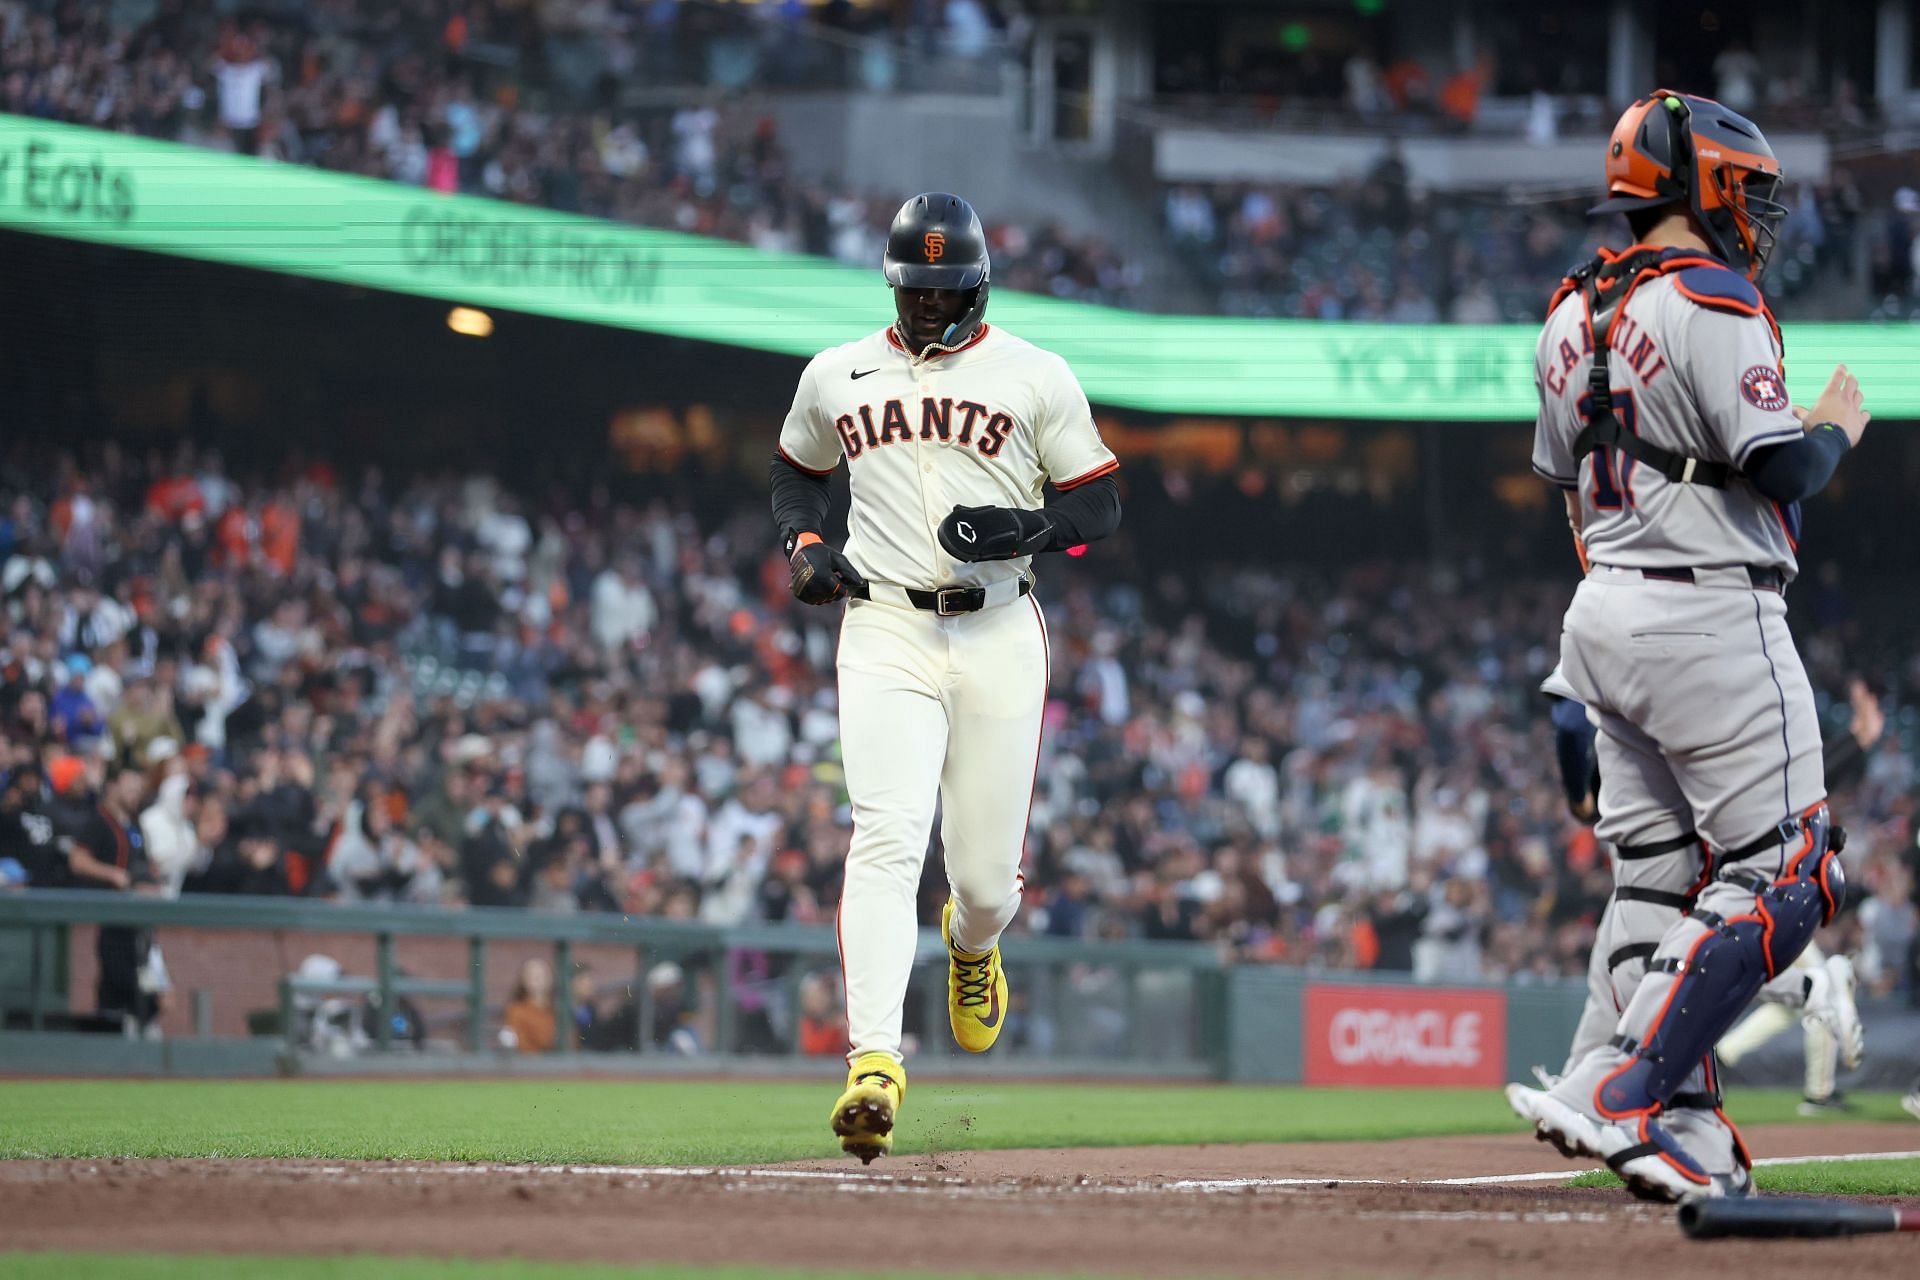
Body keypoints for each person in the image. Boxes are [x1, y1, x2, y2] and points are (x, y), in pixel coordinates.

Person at [1508, 89, 1871, 1203]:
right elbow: (1783, 467)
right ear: (1704, 182)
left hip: (1606, 603)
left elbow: (1567, 488)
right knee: (1792, 869)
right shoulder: (1717, 299)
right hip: (1709, 608)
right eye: (1747, 188)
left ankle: (1674, 1116)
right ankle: (1625, 1086)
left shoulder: (1568, 310)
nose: (1758, 211)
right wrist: (1840, 425)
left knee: (1659, 879)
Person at [769, 192, 1121, 1161]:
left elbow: (1103, 504)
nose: (929, 311)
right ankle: (873, 1061)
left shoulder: (1034, 374)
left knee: (984, 881)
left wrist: (1029, 529)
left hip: (1001, 627)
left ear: (978, 285)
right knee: (885, 836)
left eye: (946, 293)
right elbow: (794, 471)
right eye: (915, 294)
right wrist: (804, 543)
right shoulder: (836, 373)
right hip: (882, 624)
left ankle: (974, 946)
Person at [500, 956, 556, 1054]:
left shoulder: (558, 1009)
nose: (538, 980)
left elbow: (571, 1040)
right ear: (523, 980)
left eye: (542, 975)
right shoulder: (516, 1011)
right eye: (532, 976)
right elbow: (521, 1045)